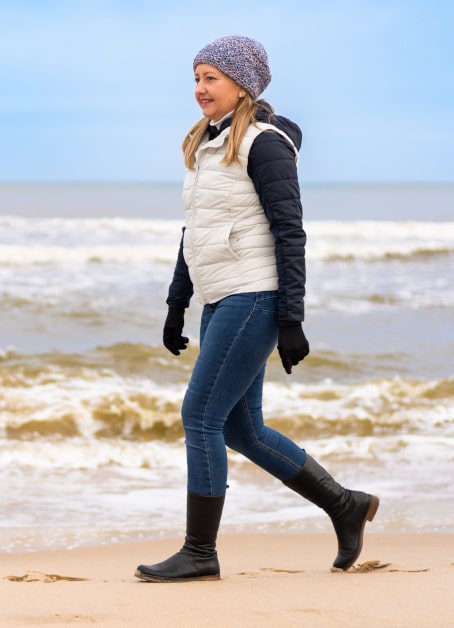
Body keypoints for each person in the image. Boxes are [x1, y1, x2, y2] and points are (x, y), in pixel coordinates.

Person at [135, 35, 379, 583]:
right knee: (242, 431)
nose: (200, 89)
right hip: (220, 296)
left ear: (242, 84)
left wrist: (292, 318)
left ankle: (200, 552)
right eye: (196, 79)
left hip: (255, 296)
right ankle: (345, 505)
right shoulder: (206, 144)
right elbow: (194, 232)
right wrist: (176, 303)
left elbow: (290, 232)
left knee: (200, 416)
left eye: (211, 78)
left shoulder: (264, 145)